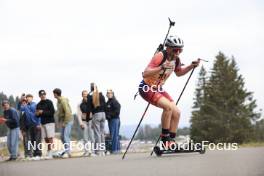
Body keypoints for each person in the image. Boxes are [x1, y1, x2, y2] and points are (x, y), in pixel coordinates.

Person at [139, 35, 200, 147]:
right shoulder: (160, 56)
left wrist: (191, 66)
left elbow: (179, 73)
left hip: (158, 88)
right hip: (146, 87)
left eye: (180, 50)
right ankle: (164, 140)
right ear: (168, 48)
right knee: (168, 107)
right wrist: (161, 67)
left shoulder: (176, 59)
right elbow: (145, 73)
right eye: (175, 49)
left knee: (176, 112)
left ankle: (171, 140)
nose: (178, 52)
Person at [18, 94, 42, 160]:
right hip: (29, 126)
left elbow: (39, 115)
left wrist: (39, 124)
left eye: (29, 97)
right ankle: (32, 154)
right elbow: (20, 108)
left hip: (36, 124)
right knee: (31, 141)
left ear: (32, 98)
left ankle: (38, 154)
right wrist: (21, 100)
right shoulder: (25, 106)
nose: (28, 98)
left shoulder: (35, 105)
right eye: (27, 97)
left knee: (37, 140)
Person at [86, 83, 106, 156]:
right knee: (102, 133)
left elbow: (88, 109)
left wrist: (88, 119)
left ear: (90, 88)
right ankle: (103, 151)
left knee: (97, 133)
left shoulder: (90, 96)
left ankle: (98, 151)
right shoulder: (101, 95)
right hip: (103, 114)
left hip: (96, 115)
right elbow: (105, 105)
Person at [53, 88, 73, 158]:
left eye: (54, 94)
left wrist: (65, 122)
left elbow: (67, 112)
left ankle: (68, 152)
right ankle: (66, 150)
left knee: (66, 136)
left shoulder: (63, 101)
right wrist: (59, 122)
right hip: (62, 120)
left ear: (56, 94)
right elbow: (59, 113)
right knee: (62, 137)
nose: (53, 95)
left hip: (68, 120)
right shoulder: (58, 101)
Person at [35, 90, 56, 159]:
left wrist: (43, 112)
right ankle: (49, 150)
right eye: (41, 94)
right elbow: (37, 115)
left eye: (44, 94)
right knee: (45, 138)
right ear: (39, 96)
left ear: (45, 94)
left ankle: (50, 152)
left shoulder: (49, 102)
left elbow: (52, 112)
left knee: (50, 137)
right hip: (43, 123)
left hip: (50, 122)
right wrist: (37, 114)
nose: (43, 95)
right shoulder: (38, 104)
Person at [77, 90, 95, 157]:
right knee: (85, 137)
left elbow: (94, 113)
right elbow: (79, 114)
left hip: (91, 121)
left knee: (92, 137)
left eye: (86, 94)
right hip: (84, 121)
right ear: (82, 95)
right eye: (84, 94)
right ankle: (87, 151)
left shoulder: (91, 102)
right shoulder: (79, 104)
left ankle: (93, 151)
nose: (85, 95)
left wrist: (93, 122)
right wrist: (80, 123)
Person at [105, 89, 121, 154]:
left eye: (110, 93)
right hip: (110, 120)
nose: (109, 94)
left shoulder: (114, 101)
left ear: (112, 94)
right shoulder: (107, 102)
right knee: (113, 135)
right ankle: (117, 149)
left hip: (115, 120)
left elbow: (117, 110)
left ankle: (115, 150)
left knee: (114, 135)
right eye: (108, 93)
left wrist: (110, 115)